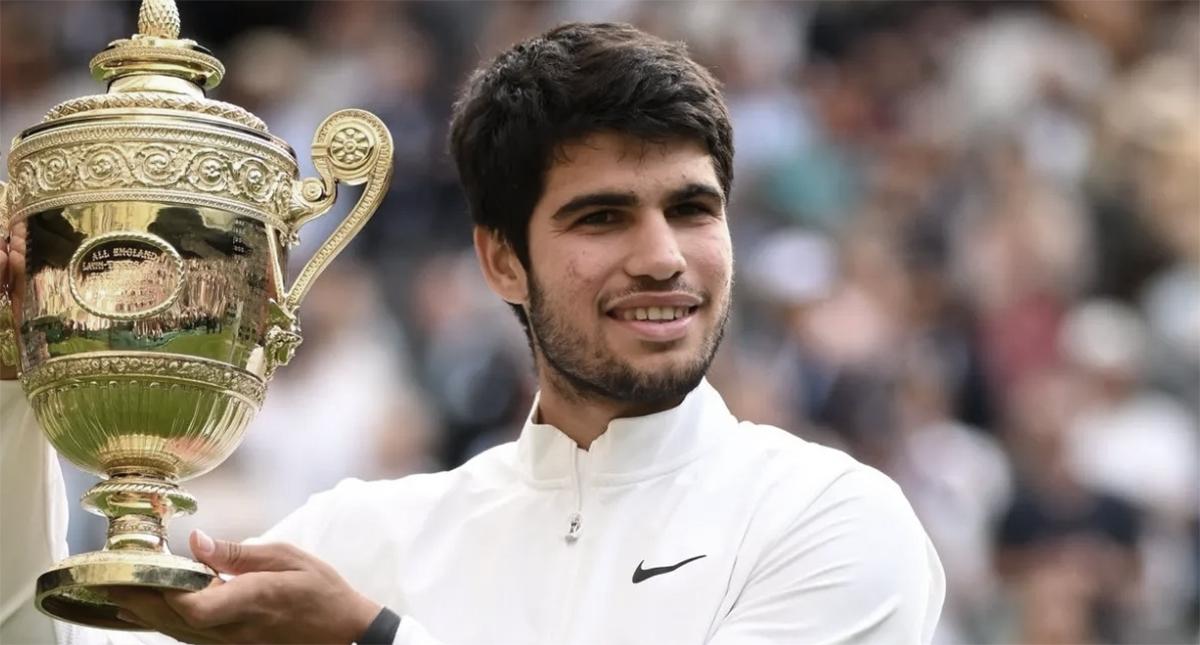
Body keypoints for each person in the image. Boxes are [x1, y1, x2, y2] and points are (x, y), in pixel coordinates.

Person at [0, 23, 944, 644]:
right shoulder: (358, 539)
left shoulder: (829, 518)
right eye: (602, 217)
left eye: (693, 210)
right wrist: (8, 385)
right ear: (500, 261)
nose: (663, 257)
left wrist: (372, 639)